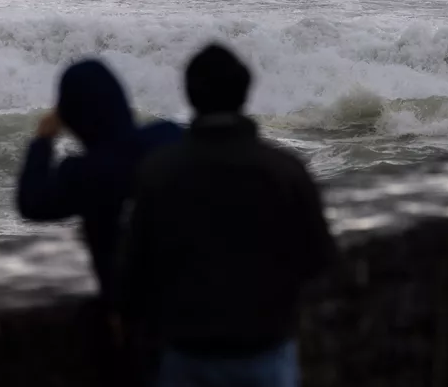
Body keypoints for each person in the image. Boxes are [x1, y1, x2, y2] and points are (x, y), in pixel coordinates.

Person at [122, 43, 337, 387]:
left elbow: (135, 270)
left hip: (187, 353)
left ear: (190, 94)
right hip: (266, 349)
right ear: (245, 93)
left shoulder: (158, 173)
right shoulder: (285, 170)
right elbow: (319, 260)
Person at [17, 58, 183, 303]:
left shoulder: (84, 174)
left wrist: (43, 140)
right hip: (212, 293)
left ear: (72, 118)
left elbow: (31, 202)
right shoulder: (170, 138)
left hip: (145, 313)